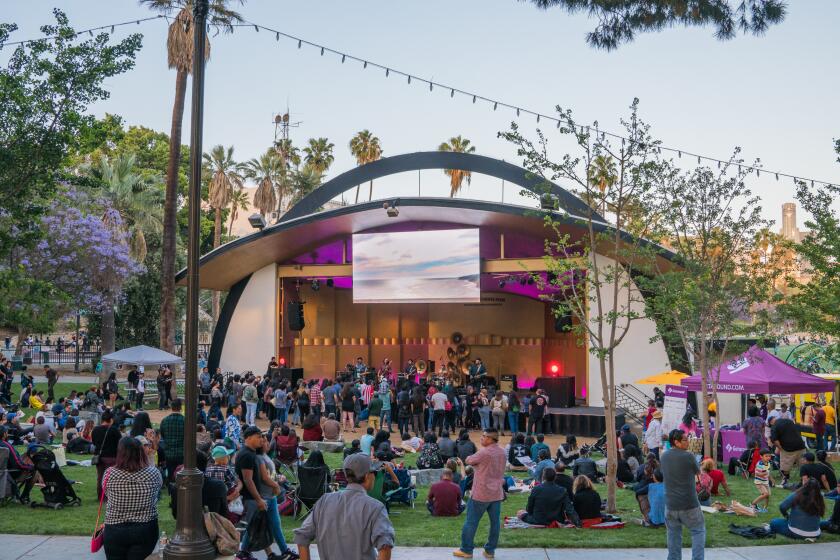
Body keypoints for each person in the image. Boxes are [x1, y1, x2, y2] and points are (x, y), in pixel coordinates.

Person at [294, 453, 395, 560]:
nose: (375, 476)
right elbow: (385, 546)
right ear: (366, 476)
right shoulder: (375, 507)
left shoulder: (324, 501)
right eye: (374, 472)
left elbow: (301, 536)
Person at [102, 436, 163, 560]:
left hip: (114, 528)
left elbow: (106, 493)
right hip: (145, 527)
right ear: (141, 452)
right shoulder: (153, 473)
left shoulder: (109, 473)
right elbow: (158, 491)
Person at [454, 429, 506, 559]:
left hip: (481, 493)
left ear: (490, 438)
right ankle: (490, 551)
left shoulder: (484, 452)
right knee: (495, 523)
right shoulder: (502, 451)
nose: (481, 438)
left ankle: (466, 549)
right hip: (496, 493)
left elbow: (469, 460)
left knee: (471, 522)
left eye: (483, 436)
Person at [661, 429, 704, 560]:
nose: (688, 442)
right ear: (676, 442)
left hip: (670, 505)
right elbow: (698, 473)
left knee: (673, 536)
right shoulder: (689, 456)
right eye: (685, 440)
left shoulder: (663, 456)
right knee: (698, 531)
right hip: (689, 504)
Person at [236, 427, 269, 559]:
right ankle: (242, 554)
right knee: (252, 528)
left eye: (261, 437)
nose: (261, 439)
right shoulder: (247, 455)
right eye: (258, 436)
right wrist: (258, 499)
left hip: (252, 498)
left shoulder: (249, 453)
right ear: (248, 438)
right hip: (250, 498)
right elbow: (248, 480)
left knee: (254, 527)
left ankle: (246, 553)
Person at [92, 410, 121, 499]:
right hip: (112, 457)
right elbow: (120, 443)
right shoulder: (114, 430)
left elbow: (94, 442)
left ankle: (101, 496)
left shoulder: (95, 430)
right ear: (111, 420)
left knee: (100, 477)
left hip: (99, 457)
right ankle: (111, 496)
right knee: (112, 478)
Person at [769, 415, 806, 486]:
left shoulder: (774, 427)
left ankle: (785, 480)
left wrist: (780, 448)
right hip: (800, 445)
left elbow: (775, 440)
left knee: (785, 466)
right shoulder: (789, 421)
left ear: (771, 422)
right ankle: (804, 480)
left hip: (788, 448)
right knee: (803, 465)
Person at [160, 398, 185, 483]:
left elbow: (163, 435)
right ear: (180, 407)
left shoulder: (164, 421)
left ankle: (171, 490)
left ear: (171, 407)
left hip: (169, 452)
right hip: (182, 452)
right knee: (182, 474)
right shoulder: (185, 420)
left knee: (171, 474)